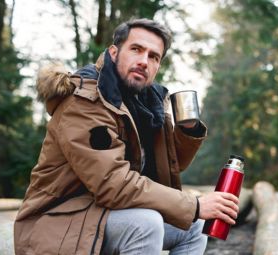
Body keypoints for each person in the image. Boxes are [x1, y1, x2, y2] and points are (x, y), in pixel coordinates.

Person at [13, 18, 240, 255]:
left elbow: (171, 166)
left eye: (154, 57)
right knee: (146, 224)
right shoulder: (84, 103)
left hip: (101, 215)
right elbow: (111, 183)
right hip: (54, 224)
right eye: (136, 49)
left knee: (193, 227)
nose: (144, 61)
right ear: (113, 53)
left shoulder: (147, 104)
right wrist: (194, 204)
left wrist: (188, 130)